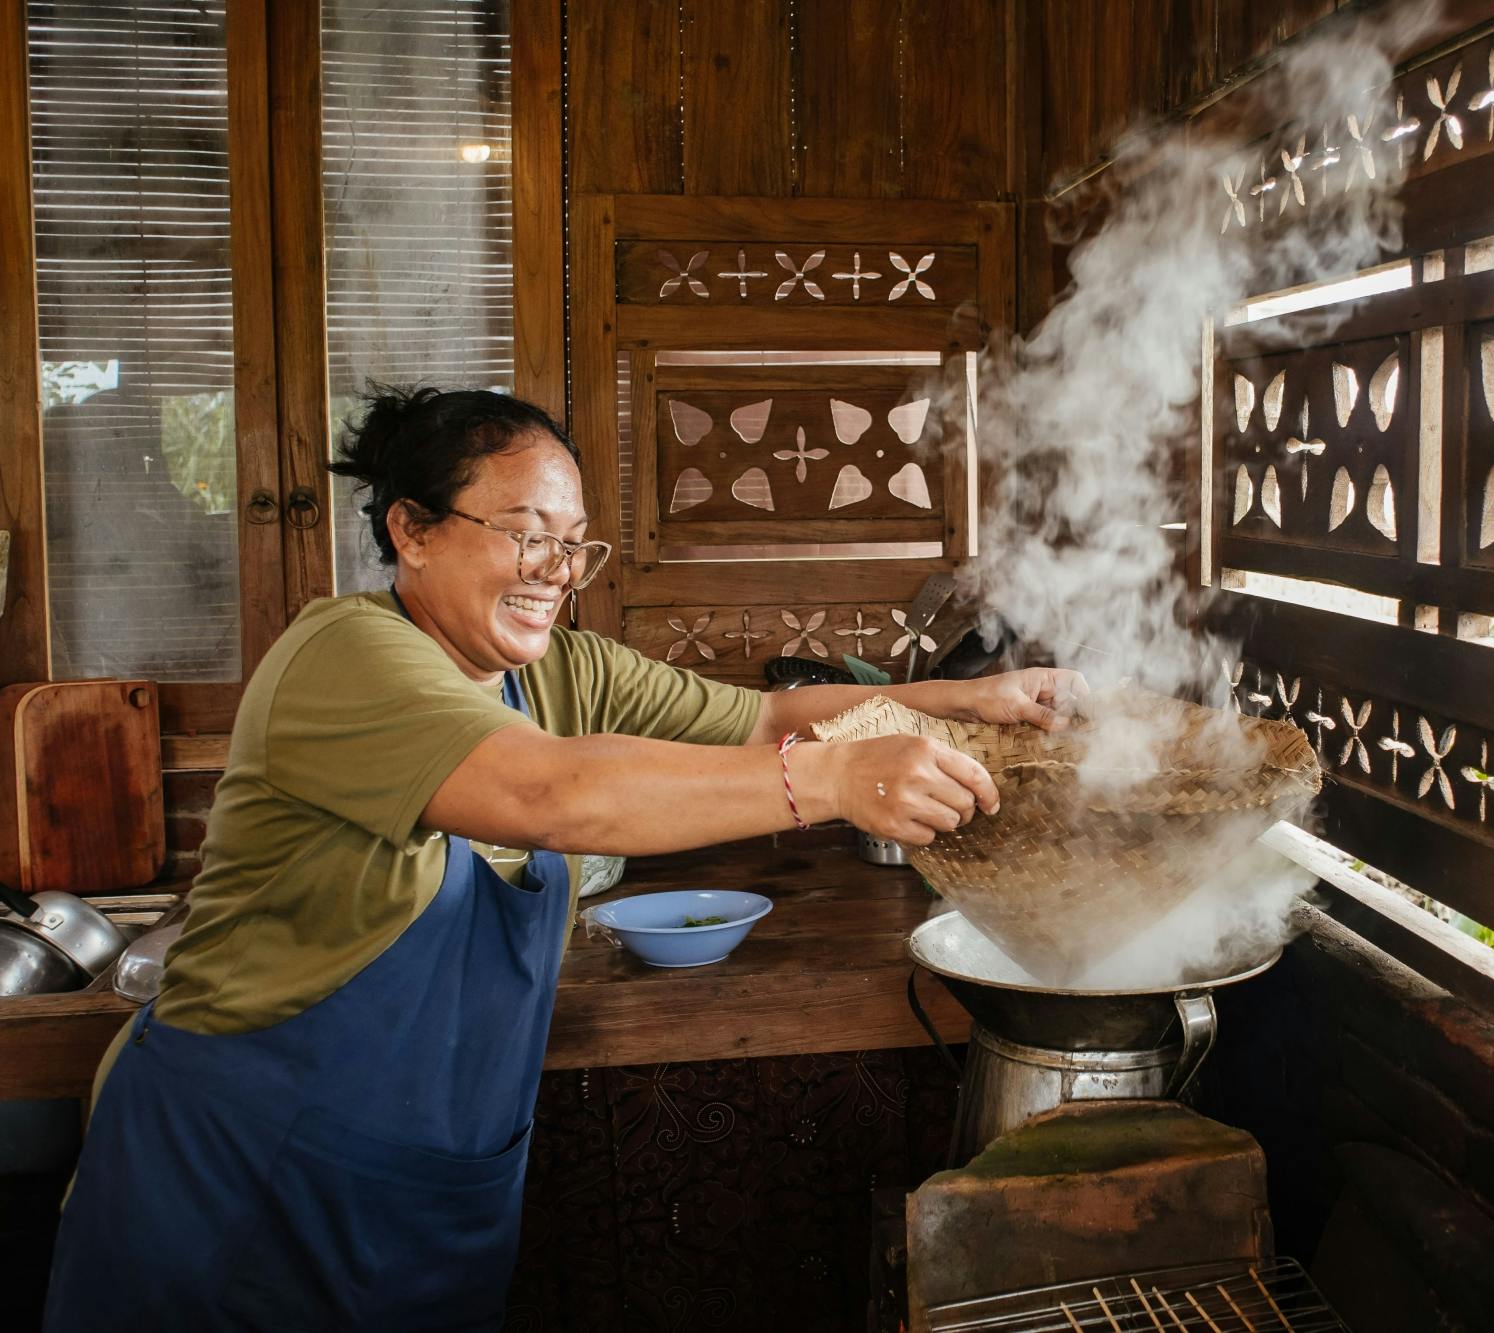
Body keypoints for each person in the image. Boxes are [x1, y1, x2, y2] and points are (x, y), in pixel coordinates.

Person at [42, 386, 1084, 1330]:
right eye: (523, 533)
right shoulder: (345, 654)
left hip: (424, 1192)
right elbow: (551, 792)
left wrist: (965, 700)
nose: (555, 570)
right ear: (410, 528)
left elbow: (761, 712)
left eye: (573, 543)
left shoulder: (559, 670)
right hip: (243, 1178)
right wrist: (834, 781)